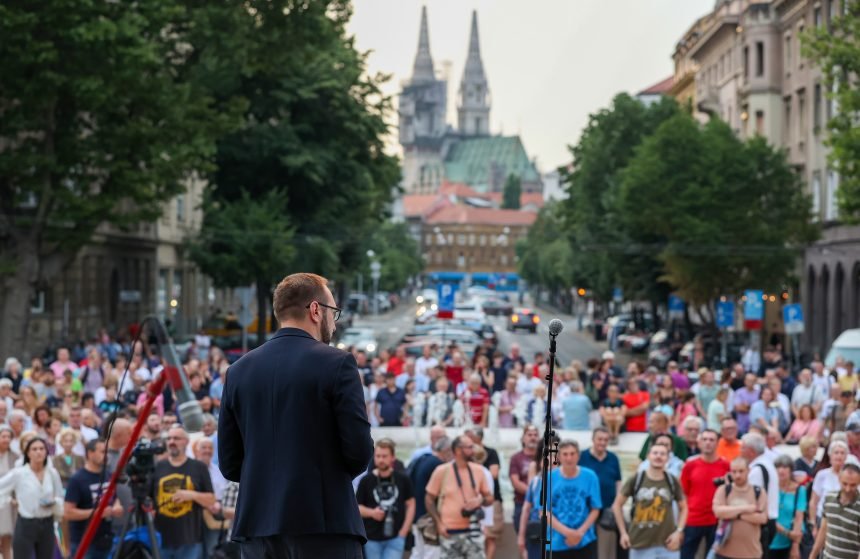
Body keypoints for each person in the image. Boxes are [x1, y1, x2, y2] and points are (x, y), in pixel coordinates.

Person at [218, 273, 373, 558]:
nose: (334, 322)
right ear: (316, 310)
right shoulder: (337, 363)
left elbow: (229, 464)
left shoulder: (238, 371)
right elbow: (359, 452)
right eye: (333, 312)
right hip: (324, 525)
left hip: (257, 529)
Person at [613, 442, 687, 559]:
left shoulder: (672, 480)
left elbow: (684, 507)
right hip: (639, 542)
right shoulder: (637, 478)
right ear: (648, 456)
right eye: (655, 453)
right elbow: (617, 505)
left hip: (668, 543)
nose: (658, 456)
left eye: (662, 454)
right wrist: (623, 533)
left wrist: (679, 531)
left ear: (667, 458)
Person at [424, 435, 493, 559]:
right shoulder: (441, 471)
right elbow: (429, 499)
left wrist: (480, 500)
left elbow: (489, 498)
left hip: (474, 531)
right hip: (449, 532)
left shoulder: (479, 471)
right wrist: (438, 523)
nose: (473, 450)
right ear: (458, 450)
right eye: (469, 447)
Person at [152, 426, 215, 559]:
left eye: (176, 438)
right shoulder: (158, 466)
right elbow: (148, 499)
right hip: (161, 538)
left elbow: (211, 499)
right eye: (169, 438)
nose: (171, 442)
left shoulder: (199, 467)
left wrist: (191, 495)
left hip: (189, 539)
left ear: (186, 442)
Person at [0, 437, 63, 559]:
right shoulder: (20, 473)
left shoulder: (52, 473)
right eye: (34, 449)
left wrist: (53, 503)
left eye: (41, 449)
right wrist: (10, 501)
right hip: (26, 523)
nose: (38, 452)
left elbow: (59, 494)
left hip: (47, 522)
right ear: (28, 453)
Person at [64, 439, 124, 559]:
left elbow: (114, 497)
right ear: (90, 454)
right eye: (103, 452)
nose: (107, 455)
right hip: (85, 541)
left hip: (106, 538)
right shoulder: (77, 479)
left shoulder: (107, 474)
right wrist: (96, 513)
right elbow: (68, 512)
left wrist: (117, 506)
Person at [356, 439, 416, 559]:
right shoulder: (366, 481)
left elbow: (411, 504)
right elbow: (357, 508)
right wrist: (372, 513)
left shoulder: (402, 479)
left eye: (384, 456)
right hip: (372, 538)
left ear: (393, 458)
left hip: (396, 537)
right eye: (378, 456)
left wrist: (404, 531)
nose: (381, 460)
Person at [546, 440, 601, 559]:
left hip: (585, 541)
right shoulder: (549, 478)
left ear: (578, 456)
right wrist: (569, 533)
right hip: (556, 542)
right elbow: (544, 512)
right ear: (559, 457)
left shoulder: (590, 477)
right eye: (565, 454)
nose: (569, 458)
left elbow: (595, 509)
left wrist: (579, 533)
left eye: (572, 454)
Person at [680, 429, 730, 559]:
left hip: (716, 520)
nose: (708, 443)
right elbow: (683, 494)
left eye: (711, 440)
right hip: (693, 519)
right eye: (704, 439)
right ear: (699, 442)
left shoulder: (726, 466)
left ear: (718, 443)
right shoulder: (690, 465)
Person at [712, 457, 769, 559]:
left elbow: (762, 518)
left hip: (751, 553)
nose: (737, 475)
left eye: (741, 471)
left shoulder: (758, 492)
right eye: (734, 472)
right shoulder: (724, 490)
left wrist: (733, 514)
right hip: (724, 552)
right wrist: (747, 508)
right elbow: (718, 512)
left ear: (748, 471)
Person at [578, 427, 622, 559]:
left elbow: (618, 482)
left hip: (608, 506)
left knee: (620, 533)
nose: (602, 443)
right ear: (593, 440)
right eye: (600, 439)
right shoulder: (582, 456)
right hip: (587, 507)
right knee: (587, 541)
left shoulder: (613, 458)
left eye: (606, 440)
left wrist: (617, 504)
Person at [809, 457, 860, 559]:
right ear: (839, 479)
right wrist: (812, 556)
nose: (848, 489)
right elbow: (823, 530)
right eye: (844, 484)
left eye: (853, 485)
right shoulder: (829, 498)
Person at [409, 437, 451, 559]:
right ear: (447, 450)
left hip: (418, 516)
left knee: (418, 552)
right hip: (429, 519)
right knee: (432, 553)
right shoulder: (438, 465)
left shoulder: (421, 459)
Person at [464, 428, 502, 559]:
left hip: (483, 510)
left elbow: (493, 478)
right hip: (473, 512)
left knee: (487, 538)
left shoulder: (483, 471)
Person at [741, 432, 779, 558]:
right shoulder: (768, 464)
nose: (740, 450)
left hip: (762, 523)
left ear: (751, 451)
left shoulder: (757, 470)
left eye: (743, 447)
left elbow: (750, 499)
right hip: (769, 521)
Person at [768, 455, 806, 559]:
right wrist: (787, 533)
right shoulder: (769, 488)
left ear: (791, 470)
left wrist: (795, 544)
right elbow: (768, 516)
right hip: (769, 540)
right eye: (778, 467)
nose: (781, 471)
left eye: (784, 467)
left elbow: (799, 517)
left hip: (789, 543)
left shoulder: (799, 490)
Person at [808, 439, 848, 525]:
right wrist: (812, 522)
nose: (839, 456)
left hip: (843, 520)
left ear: (846, 457)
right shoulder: (821, 474)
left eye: (842, 453)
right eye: (836, 452)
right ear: (830, 456)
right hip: (822, 518)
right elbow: (814, 501)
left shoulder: (850, 476)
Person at [510, 425, 539, 534]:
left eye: (535, 435)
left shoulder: (545, 458)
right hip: (521, 504)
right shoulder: (516, 458)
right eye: (529, 435)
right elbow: (515, 482)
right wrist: (534, 495)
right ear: (523, 438)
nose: (533, 437)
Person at [0, 427, 17, 559]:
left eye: (8, 437)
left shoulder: (15, 457)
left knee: (7, 537)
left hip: (9, 502)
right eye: (3, 436)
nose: (6, 439)